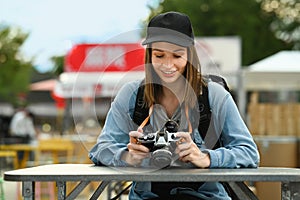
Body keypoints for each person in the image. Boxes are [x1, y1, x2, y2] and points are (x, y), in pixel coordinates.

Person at [89, 11, 259, 199]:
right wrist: (127, 156)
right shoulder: (131, 95)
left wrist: (205, 157)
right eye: (159, 55)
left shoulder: (214, 95)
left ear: (190, 55)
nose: (167, 65)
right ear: (149, 55)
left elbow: (249, 153)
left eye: (177, 56)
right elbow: (100, 149)